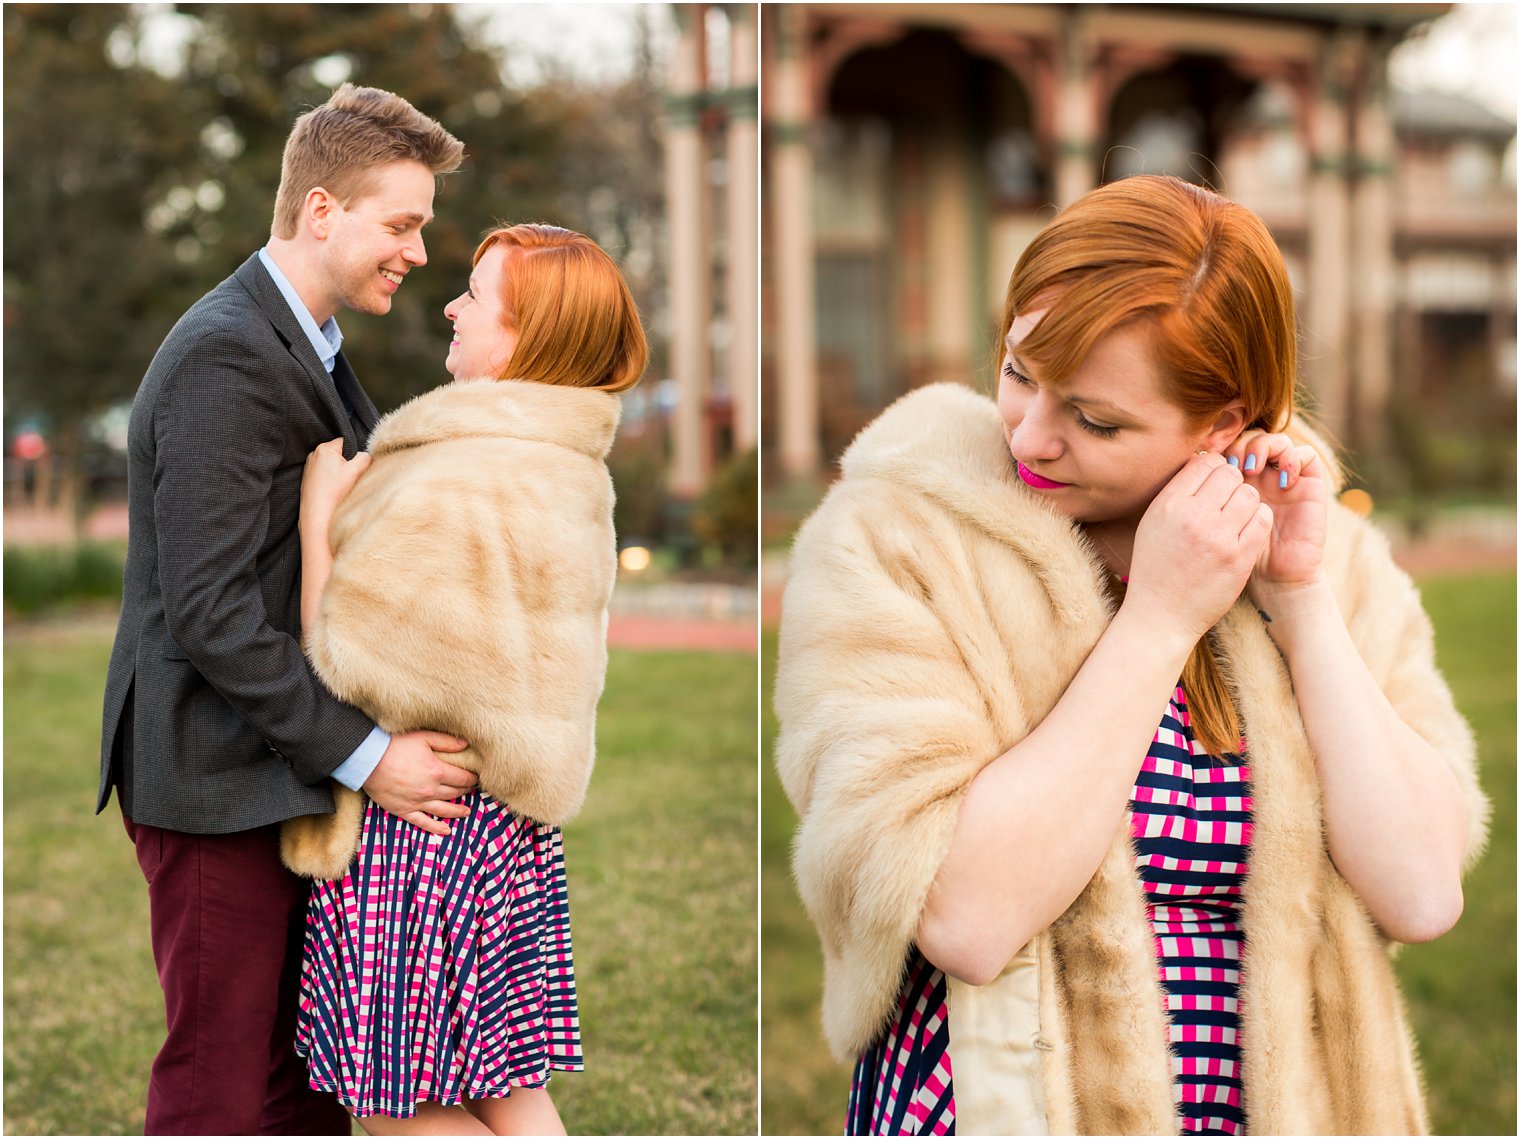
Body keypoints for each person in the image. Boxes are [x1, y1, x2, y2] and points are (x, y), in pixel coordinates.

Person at [774, 174, 1489, 1136]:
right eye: (1020, 372)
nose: (1030, 435)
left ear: (1223, 424)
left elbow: (1419, 891)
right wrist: (1156, 622)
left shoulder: (1334, 566)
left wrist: (1301, 602)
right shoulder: (902, 539)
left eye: (1095, 419)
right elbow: (966, 918)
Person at [97, 84, 480, 1135]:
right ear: (321, 211)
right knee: (221, 1084)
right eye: (399, 224)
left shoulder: (301, 338)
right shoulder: (228, 351)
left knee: (298, 1081)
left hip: (270, 768)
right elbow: (212, 608)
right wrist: (368, 755)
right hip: (212, 772)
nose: (414, 251)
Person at [285, 222, 648, 1135]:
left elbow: (341, 655)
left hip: (423, 822)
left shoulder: (463, 465)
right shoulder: (562, 460)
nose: (450, 304)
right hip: (499, 827)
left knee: (395, 1111)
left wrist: (317, 518)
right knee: (509, 1091)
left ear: (527, 335)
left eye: (476, 295)